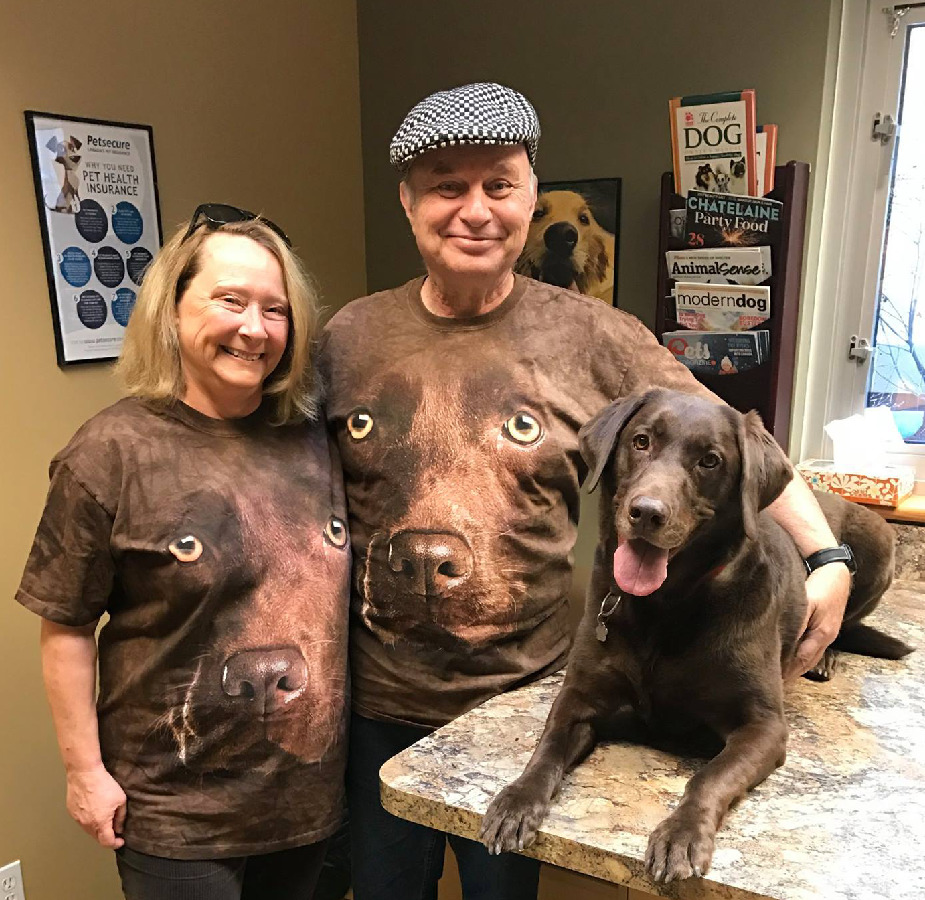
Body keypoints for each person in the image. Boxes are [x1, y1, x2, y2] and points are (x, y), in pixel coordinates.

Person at [318, 83, 851, 900]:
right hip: (380, 704)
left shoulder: (597, 335)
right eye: (445, 185)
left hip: (519, 698)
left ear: (531, 195)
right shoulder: (348, 338)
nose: (474, 209)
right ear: (407, 200)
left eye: (498, 185)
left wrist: (826, 556)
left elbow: (727, 441)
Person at [16, 205, 351, 900]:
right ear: (172, 309)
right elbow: (66, 626)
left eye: (275, 310)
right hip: (176, 808)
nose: (253, 329)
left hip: (305, 794)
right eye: (229, 300)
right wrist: (85, 771)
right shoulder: (110, 453)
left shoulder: (315, 439)